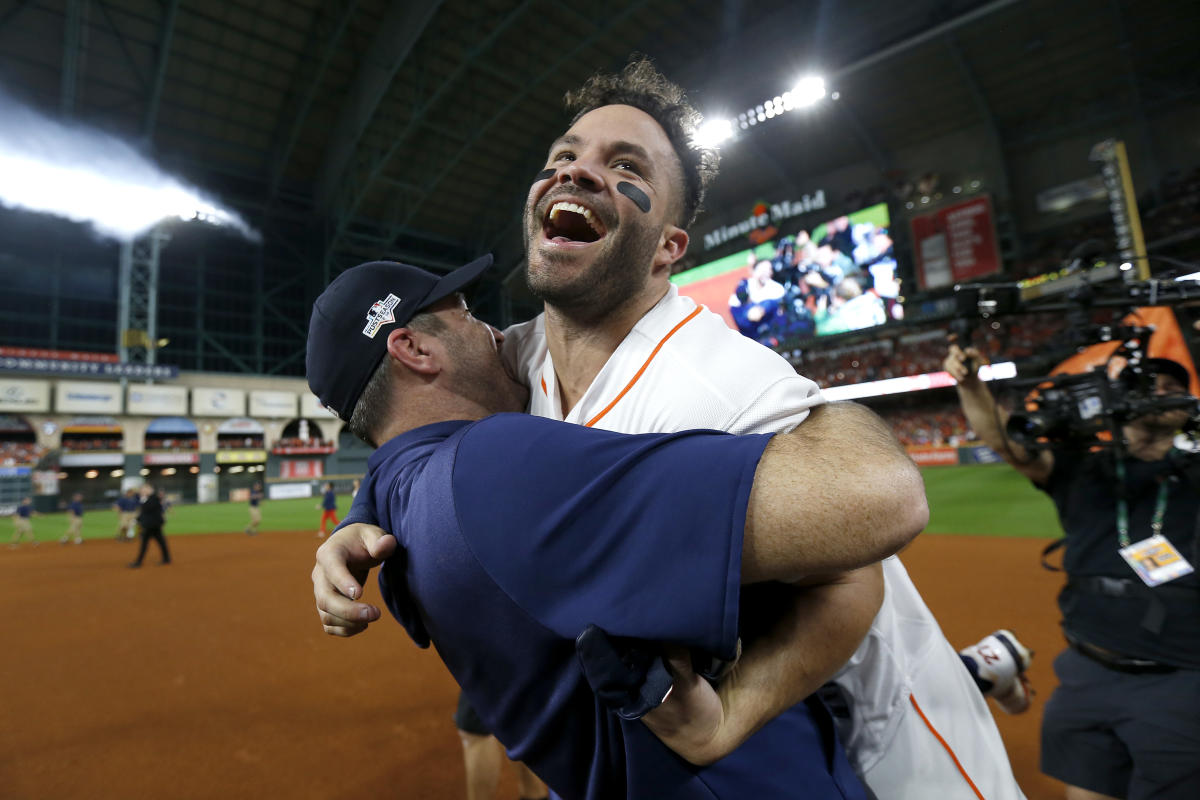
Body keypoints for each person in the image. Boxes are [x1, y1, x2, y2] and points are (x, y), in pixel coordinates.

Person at [316, 58, 1027, 799]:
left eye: (626, 167)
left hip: (886, 737)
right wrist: (356, 521)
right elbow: (421, 418)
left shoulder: (712, 384)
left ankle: (981, 671)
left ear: (667, 248)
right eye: (564, 156)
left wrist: (730, 718)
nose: (579, 172)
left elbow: (857, 573)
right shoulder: (517, 354)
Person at [306, 256, 928, 798]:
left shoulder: (393, 499)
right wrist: (803, 403)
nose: (494, 331)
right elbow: (881, 499)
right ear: (414, 349)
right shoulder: (496, 466)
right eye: (466, 313)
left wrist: (355, 517)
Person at [945, 345, 1200, 799]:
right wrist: (970, 385)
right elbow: (1004, 440)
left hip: (1180, 681)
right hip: (1086, 673)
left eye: (1173, 388)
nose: (1160, 393)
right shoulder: (1083, 467)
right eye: (1149, 384)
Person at [128, 483, 170, 568]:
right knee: (161, 542)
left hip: (151, 525)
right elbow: (144, 512)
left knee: (144, 543)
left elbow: (147, 509)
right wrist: (136, 520)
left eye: (144, 489)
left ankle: (138, 562)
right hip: (153, 525)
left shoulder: (154, 498)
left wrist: (143, 499)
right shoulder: (148, 499)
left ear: (150, 489)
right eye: (142, 489)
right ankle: (166, 559)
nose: (142, 491)